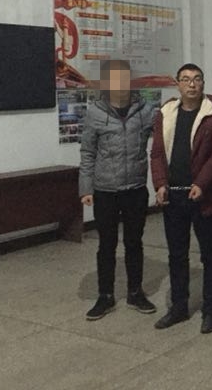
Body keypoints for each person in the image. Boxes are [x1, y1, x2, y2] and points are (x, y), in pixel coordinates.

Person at [151, 63, 212, 334]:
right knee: (177, 255)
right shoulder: (165, 113)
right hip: (173, 196)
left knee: (210, 255)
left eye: (197, 79)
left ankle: (210, 311)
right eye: (185, 79)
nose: (192, 84)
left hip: (203, 196)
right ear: (178, 84)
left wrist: (201, 183)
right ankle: (179, 307)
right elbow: (157, 153)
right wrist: (160, 184)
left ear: (203, 83)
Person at [79, 59, 157, 320]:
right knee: (107, 244)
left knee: (134, 242)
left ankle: (135, 292)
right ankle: (105, 296)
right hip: (105, 191)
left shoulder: (145, 110)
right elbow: (88, 152)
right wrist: (86, 188)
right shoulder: (95, 113)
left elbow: (167, 130)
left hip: (135, 188)